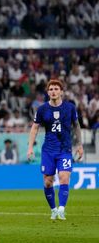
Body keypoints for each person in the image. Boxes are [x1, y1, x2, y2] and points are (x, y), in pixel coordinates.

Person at [27, 79, 84, 220]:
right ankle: (53, 209)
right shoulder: (42, 109)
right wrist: (30, 148)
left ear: (61, 92)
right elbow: (34, 128)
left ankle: (61, 209)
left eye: (56, 89)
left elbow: (76, 126)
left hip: (65, 149)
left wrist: (80, 145)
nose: (53, 91)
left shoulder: (70, 107)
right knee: (47, 182)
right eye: (51, 89)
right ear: (47, 92)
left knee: (64, 177)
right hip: (48, 150)